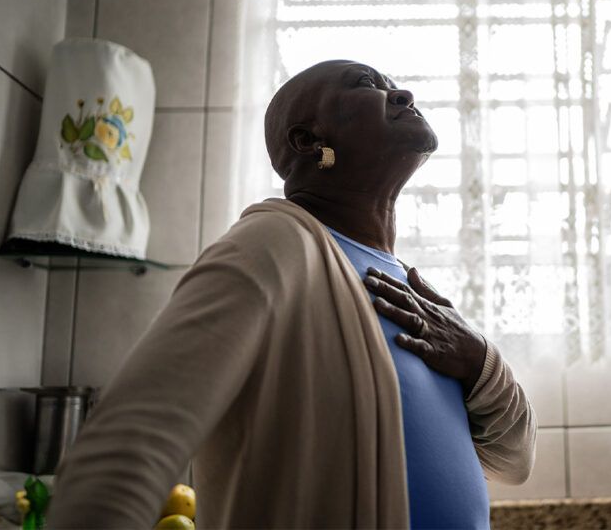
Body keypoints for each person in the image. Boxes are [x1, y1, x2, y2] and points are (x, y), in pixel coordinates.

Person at [46, 60, 537, 529]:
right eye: (367, 84)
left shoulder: (409, 287)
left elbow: (515, 460)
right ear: (308, 140)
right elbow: (125, 446)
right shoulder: (274, 245)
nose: (403, 94)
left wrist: (479, 361)